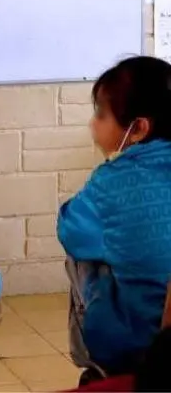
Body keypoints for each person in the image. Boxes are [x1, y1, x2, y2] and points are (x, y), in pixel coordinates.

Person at [58, 56, 171, 384]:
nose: (93, 125)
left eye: (101, 114)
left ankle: (97, 364)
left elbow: (70, 229)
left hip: (139, 346)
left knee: (83, 255)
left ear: (138, 129)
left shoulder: (110, 181)